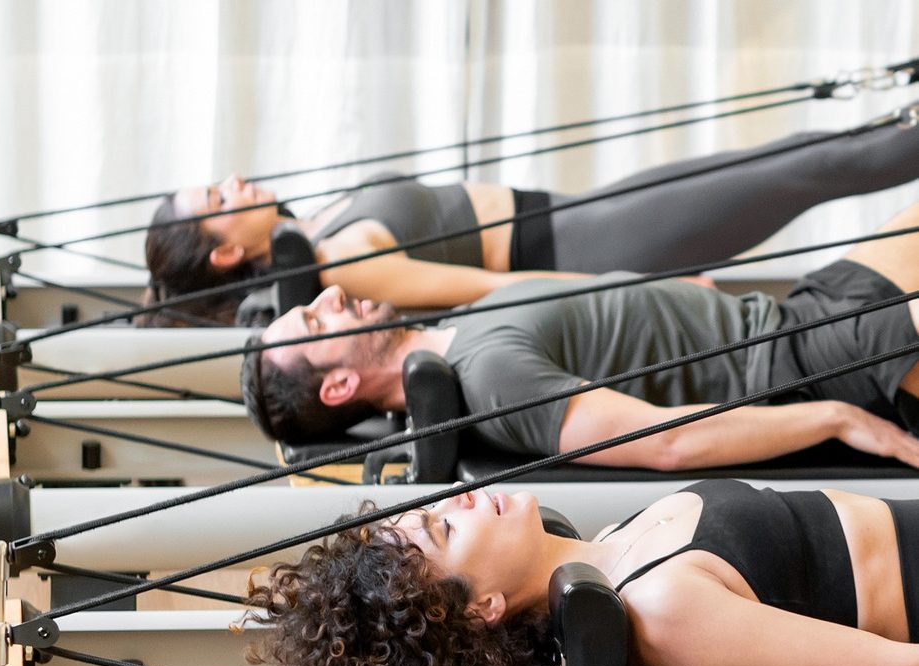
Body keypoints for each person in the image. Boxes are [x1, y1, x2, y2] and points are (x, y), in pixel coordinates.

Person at [240, 199, 919, 472]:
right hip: (822, 359)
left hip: (802, 313)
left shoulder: (458, 335)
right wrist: (837, 418)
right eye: (315, 322)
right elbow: (667, 443)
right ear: (338, 384)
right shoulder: (493, 380)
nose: (328, 296)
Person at [244, 480, 919, 666]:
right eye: (446, 530)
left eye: (436, 508)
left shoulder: (612, 539)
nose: (467, 500)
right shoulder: (662, 611)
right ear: (482, 608)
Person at [144, 119, 919, 324]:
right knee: (812, 172)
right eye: (218, 202)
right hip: (596, 246)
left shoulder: (318, 219)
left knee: (797, 155)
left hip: (584, 210)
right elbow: (491, 289)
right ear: (220, 256)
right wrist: (639, 284)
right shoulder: (339, 264)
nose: (233, 184)